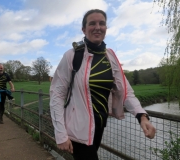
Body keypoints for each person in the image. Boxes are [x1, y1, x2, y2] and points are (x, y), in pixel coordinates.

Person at [49, 9, 156, 160]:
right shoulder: (72, 55)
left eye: (102, 23)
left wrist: (142, 116)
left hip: (99, 126)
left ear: (106, 28)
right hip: (78, 130)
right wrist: (60, 134)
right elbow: (57, 95)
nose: (97, 27)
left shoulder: (110, 56)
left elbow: (125, 91)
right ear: (84, 29)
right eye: (92, 23)